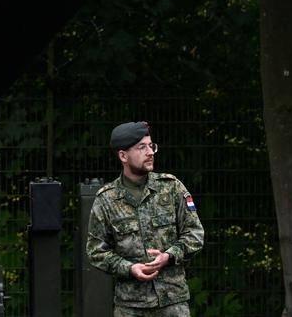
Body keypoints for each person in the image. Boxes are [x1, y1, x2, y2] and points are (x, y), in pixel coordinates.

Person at [87, 121, 204, 317]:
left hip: (172, 302)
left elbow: (195, 233)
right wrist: (130, 268)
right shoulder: (106, 199)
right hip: (130, 306)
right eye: (142, 147)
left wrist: (169, 256)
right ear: (123, 155)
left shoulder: (171, 187)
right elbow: (96, 251)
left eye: (151, 146)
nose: (150, 152)